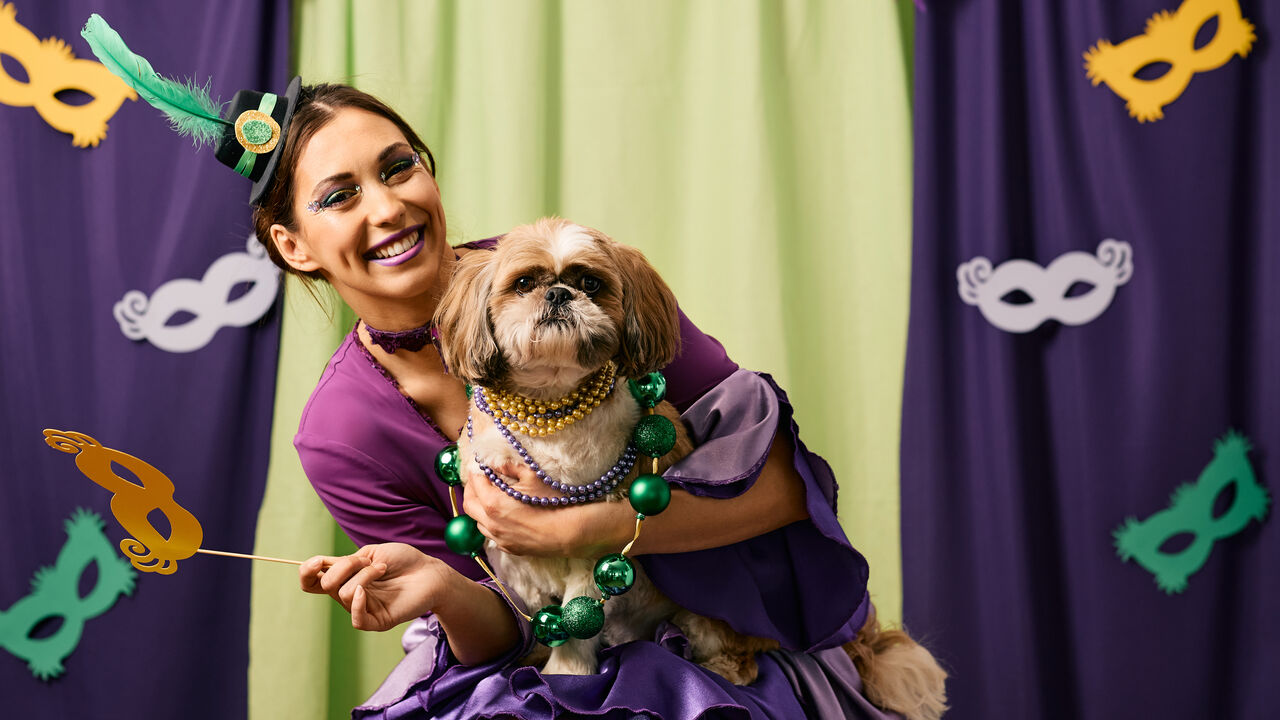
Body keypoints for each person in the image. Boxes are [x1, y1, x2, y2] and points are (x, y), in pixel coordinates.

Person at [82, 14, 937, 708]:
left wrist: (585, 528)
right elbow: (500, 634)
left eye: (399, 166)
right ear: (293, 244)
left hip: (713, 629)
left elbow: (785, 491)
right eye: (339, 196)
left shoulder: (585, 282)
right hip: (543, 668)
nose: (387, 206)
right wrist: (436, 588)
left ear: (431, 171)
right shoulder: (342, 430)